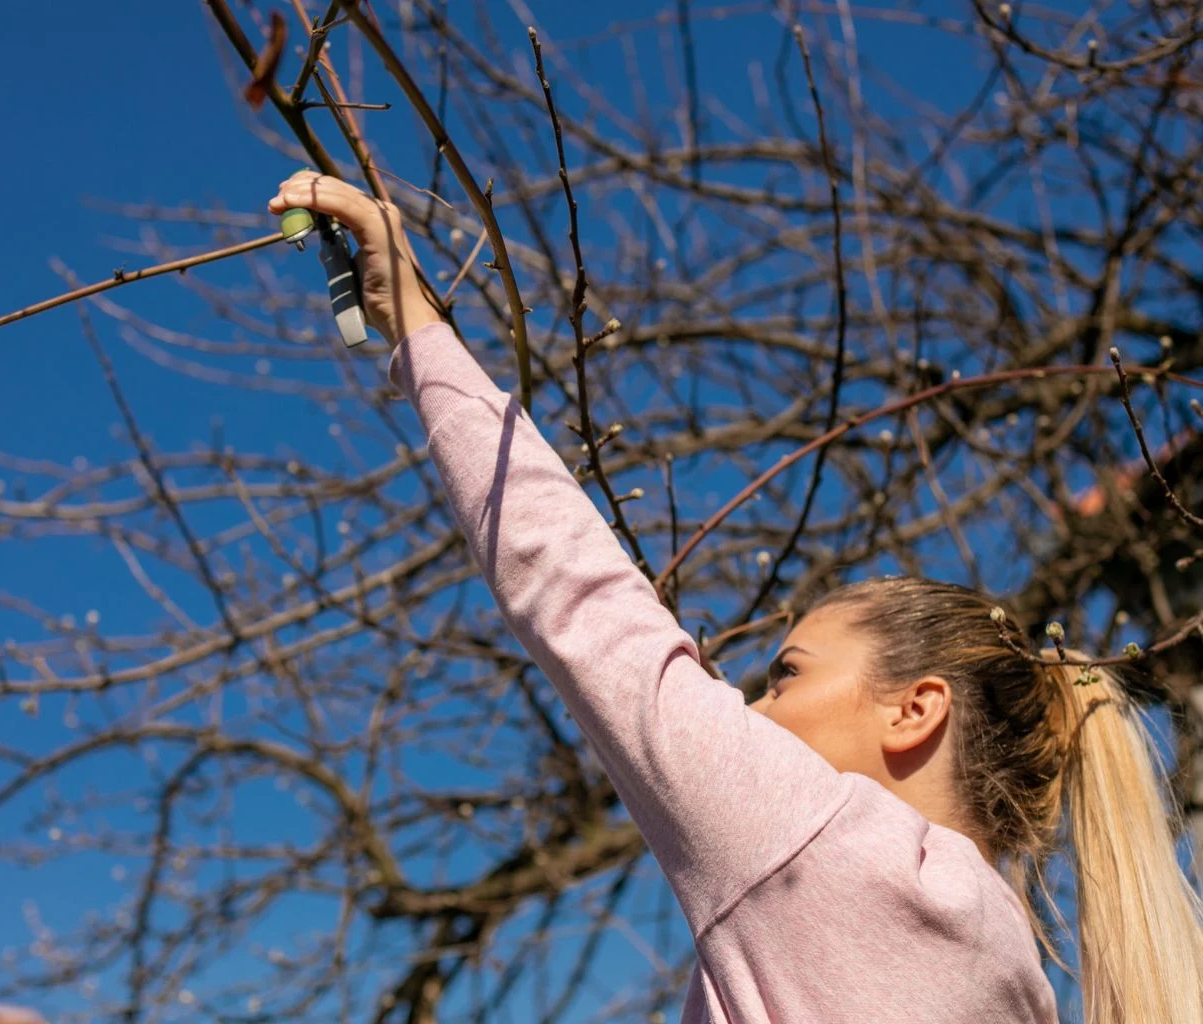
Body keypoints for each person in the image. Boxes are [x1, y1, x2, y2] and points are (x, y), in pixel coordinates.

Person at [268, 171, 1203, 1024]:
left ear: (916, 710)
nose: (749, 705)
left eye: (785, 673)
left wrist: (422, 337)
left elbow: (581, 598)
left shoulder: (826, 846)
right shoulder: (1018, 983)